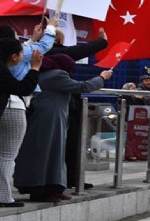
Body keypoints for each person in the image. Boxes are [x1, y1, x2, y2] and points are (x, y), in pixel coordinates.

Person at [14, 54, 113, 202]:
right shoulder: (57, 75)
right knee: (49, 154)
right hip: (50, 120)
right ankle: (44, 189)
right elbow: (82, 87)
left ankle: (52, 188)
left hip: (47, 119)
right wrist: (102, 78)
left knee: (49, 153)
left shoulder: (44, 74)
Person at [45, 27, 109, 190]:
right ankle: (66, 179)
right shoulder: (54, 57)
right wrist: (102, 42)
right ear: (58, 41)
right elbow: (80, 51)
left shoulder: (38, 55)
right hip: (63, 109)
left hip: (53, 108)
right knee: (70, 144)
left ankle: (62, 179)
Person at [0, 38, 42, 208]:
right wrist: (35, 68)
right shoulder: (2, 70)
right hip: (12, 111)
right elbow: (23, 88)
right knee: (7, 157)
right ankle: (3, 197)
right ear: (14, 56)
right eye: (21, 53)